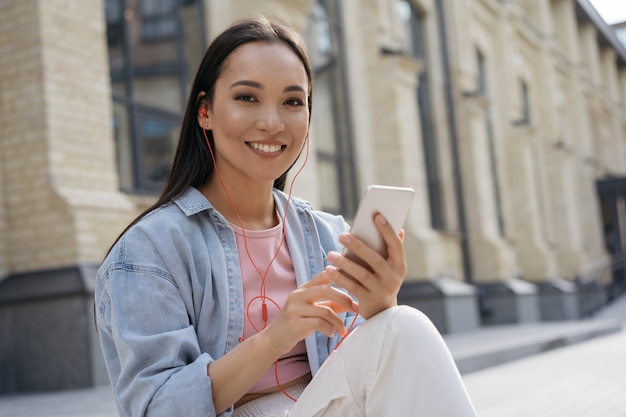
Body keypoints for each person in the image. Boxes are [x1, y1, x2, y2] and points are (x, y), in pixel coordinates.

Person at [94, 14, 476, 417]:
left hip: (324, 405)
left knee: (402, 324)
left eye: (293, 102)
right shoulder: (150, 249)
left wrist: (381, 304)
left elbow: (370, 374)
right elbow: (157, 408)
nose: (272, 123)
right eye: (247, 97)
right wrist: (274, 338)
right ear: (204, 112)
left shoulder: (329, 235)